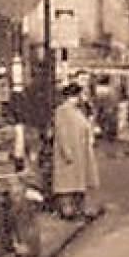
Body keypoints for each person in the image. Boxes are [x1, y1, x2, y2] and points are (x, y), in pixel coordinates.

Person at [52, 82, 101, 219]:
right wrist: (66, 152)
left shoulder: (77, 111)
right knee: (68, 183)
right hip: (70, 153)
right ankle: (67, 210)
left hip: (80, 153)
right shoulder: (62, 111)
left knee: (78, 182)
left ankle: (78, 209)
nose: (79, 98)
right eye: (77, 95)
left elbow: (86, 127)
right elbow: (61, 133)